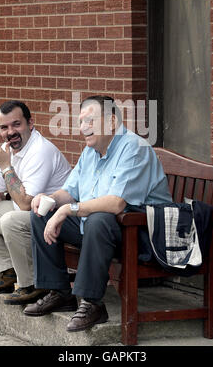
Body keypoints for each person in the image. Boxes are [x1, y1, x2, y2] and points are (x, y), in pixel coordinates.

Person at [24, 95, 172, 332]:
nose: (83, 128)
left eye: (90, 121)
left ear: (112, 121)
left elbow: (116, 204)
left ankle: (92, 303)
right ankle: (60, 293)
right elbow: (69, 192)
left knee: (98, 218)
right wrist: (50, 200)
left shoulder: (134, 147)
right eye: (81, 122)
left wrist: (67, 210)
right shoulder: (91, 151)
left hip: (141, 234)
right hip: (102, 231)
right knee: (42, 215)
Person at [0, 100, 71, 305]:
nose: (10, 132)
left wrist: (5, 166)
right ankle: (9, 273)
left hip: (55, 218)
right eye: (4, 127)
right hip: (29, 213)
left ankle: (33, 284)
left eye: (16, 124)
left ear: (30, 123)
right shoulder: (7, 149)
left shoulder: (40, 150)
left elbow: (25, 204)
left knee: (10, 220)